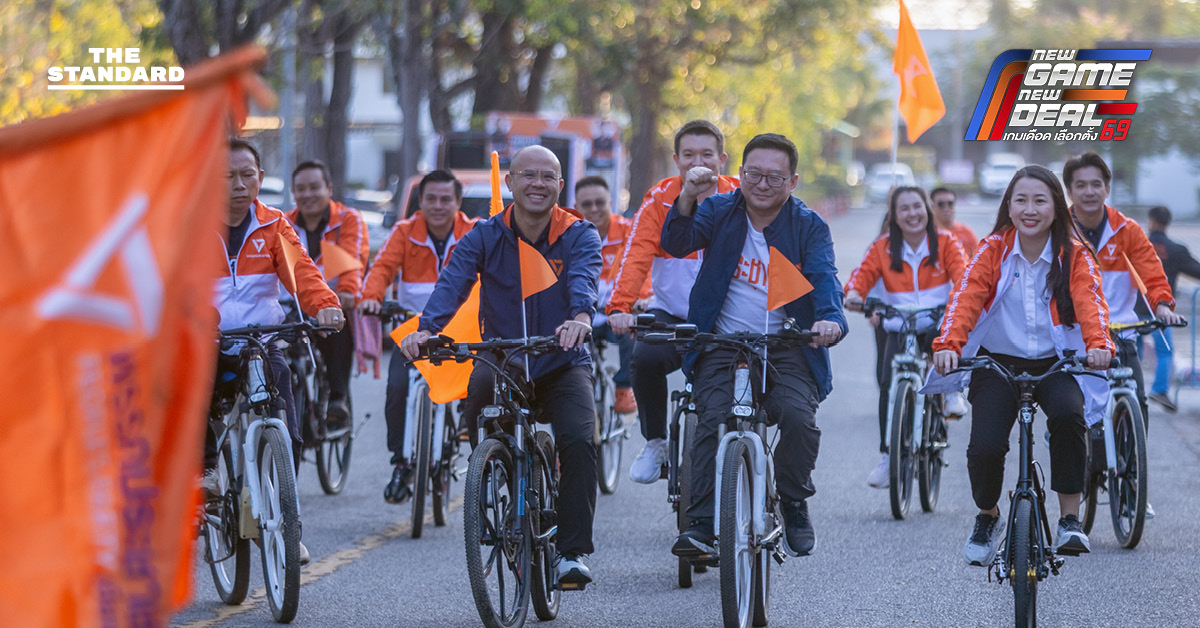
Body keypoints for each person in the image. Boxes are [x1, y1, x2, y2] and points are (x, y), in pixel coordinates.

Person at [400, 146, 602, 587]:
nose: (537, 183)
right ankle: (492, 474)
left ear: (560, 186)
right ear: (509, 183)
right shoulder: (484, 235)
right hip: (504, 356)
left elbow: (585, 279)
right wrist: (427, 329)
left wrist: (581, 317)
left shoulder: (579, 233)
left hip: (562, 358)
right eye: (527, 175)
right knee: (480, 392)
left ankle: (571, 553)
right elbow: (453, 282)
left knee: (580, 440)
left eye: (548, 176)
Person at [661, 133, 846, 558]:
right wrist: (688, 194)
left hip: (787, 345)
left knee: (799, 419)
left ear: (793, 181)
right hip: (722, 343)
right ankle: (703, 525)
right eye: (754, 174)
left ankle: (795, 501)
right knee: (711, 420)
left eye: (774, 178)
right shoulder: (719, 209)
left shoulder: (808, 225)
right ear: (740, 174)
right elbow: (675, 242)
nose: (762, 185)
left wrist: (830, 320)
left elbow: (824, 278)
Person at [926, 165, 1113, 565]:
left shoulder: (1074, 253)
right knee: (985, 447)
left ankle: (1068, 518)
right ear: (1009, 206)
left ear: (1057, 207)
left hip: (1057, 360)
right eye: (1021, 199)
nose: (1030, 209)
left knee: (1068, 417)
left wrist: (1099, 344)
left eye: (1040, 200)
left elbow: (1091, 302)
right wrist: (948, 345)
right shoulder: (991, 249)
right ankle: (988, 516)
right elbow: (965, 299)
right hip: (997, 362)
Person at [212, 138, 345, 566]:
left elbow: (303, 271)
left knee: (283, 399)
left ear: (261, 179)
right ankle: (205, 473)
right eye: (227, 176)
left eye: (246, 175)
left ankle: (288, 518)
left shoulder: (274, 226)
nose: (238, 184)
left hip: (260, 338)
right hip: (206, 340)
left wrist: (325, 306)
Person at [606, 120, 740, 484]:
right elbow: (635, 256)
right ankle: (655, 442)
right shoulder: (658, 198)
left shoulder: (741, 197)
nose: (699, 162)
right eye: (689, 154)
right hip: (673, 314)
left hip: (730, 319)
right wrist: (619, 307)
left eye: (707, 155)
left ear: (722, 159)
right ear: (677, 160)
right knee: (644, 358)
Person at [359, 170, 478, 504]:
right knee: (397, 389)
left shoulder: (475, 231)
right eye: (431, 199)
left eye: (446, 199)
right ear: (420, 202)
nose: (438, 206)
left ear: (458, 202)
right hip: (412, 328)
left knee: (477, 388)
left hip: (462, 328)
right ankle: (401, 462)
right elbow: (381, 269)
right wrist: (372, 296)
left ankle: (477, 450)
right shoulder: (404, 232)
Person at [844, 186, 968, 489]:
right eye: (904, 209)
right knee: (888, 385)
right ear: (894, 215)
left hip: (936, 321)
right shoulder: (882, 247)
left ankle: (950, 392)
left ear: (927, 210)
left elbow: (965, 276)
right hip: (898, 323)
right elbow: (860, 278)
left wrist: (957, 298)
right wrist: (855, 295)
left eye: (917, 207)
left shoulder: (947, 242)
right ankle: (889, 458)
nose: (912, 214)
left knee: (945, 347)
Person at [1064, 153, 1185, 430]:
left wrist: (1162, 305)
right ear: (1069, 191)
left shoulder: (1127, 230)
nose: (1089, 191)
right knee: (1069, 414)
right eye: (1080, 185)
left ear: (1107, 188)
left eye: (1096, 184)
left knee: (1137, 406)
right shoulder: (1058, 230)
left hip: (1121, 332)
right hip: (1073, 335)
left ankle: (1129, 466)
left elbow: (1152, 273)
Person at [285, 160, 369, 428]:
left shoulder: (347, 219)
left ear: (329, 188)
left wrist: (346, 292)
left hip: (334, 302)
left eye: (314, 187)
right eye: (300, 189)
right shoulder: (283, 223)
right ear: (293, 192)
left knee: (337, 325)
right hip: (295, 304)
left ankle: (337, 397)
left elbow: (352, 260)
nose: (307, 194)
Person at [574, 175, 648, 414]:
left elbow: (644, 268)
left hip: (617, 313)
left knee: (632, 329)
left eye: (600, 202)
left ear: (610, 203)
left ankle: (624, 388)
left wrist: (641, 299)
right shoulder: (570, 235)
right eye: (587, 205)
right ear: (576, 208)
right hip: (582, 316)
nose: (594, 209)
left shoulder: (630, 232)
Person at [1144, 206, 1200, 412]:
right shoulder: (1175, 250)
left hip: (1133, 307)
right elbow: (1196, 270)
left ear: (1151, 221)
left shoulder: (1139, 245)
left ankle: (1129, 389)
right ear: (1167, 223)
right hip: (1161, 309)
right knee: (1165, 351)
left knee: (1130, 348)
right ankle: (1159, 389)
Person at [930, 187, 979, 257]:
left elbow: (976, 262)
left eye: (950, 203)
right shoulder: (925, 233)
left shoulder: (967, 233)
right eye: (941, 204)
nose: (946, 208)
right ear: (932, 207)